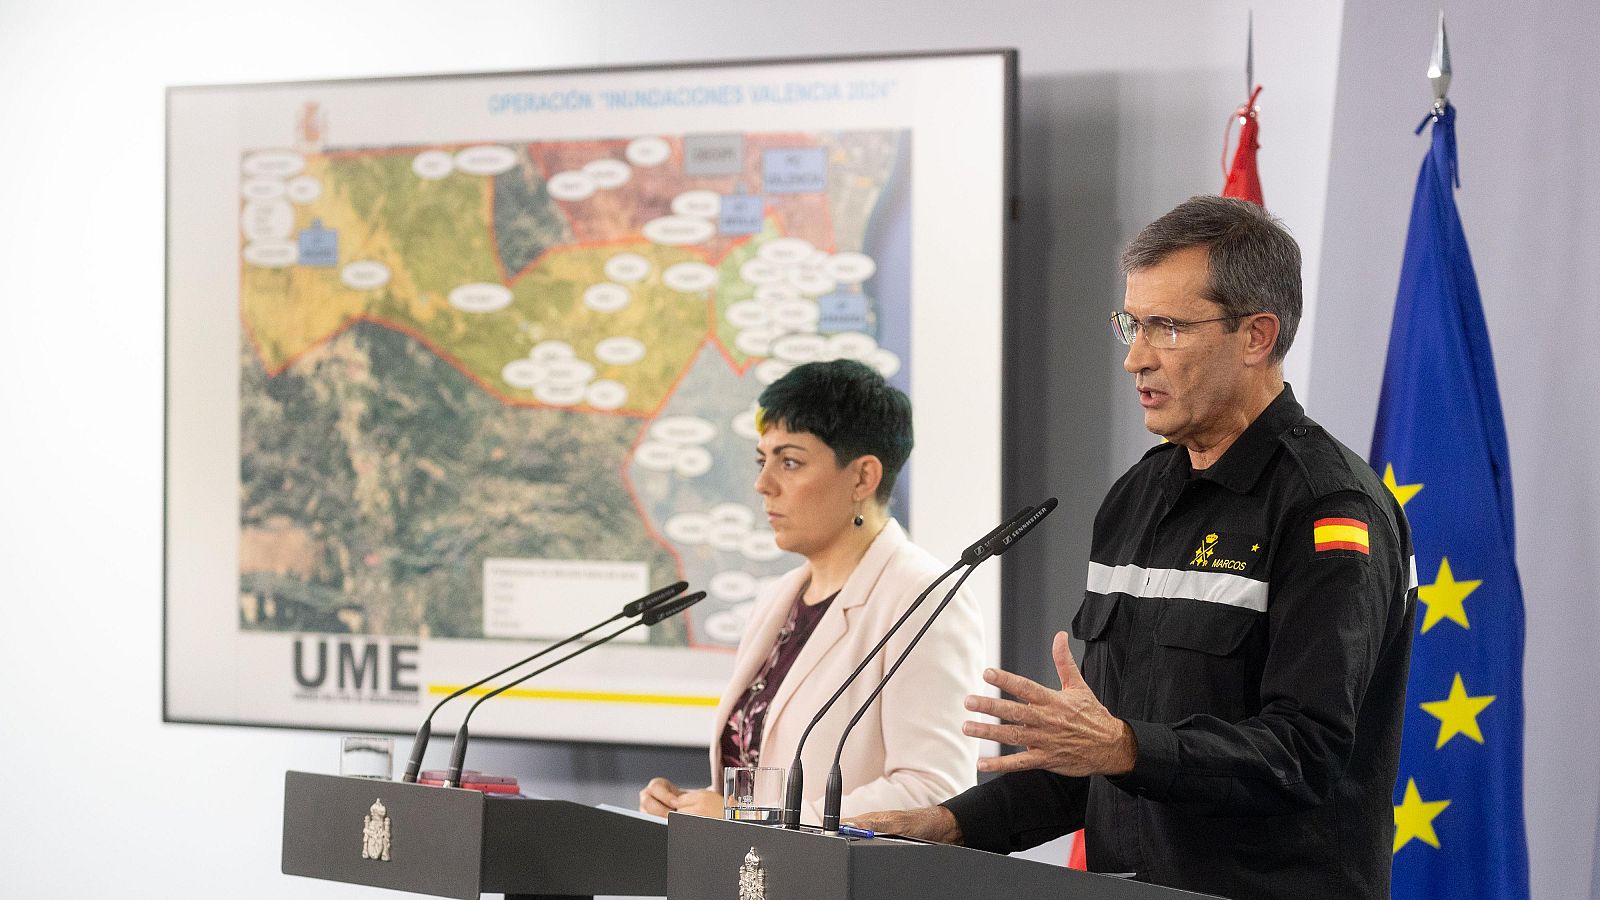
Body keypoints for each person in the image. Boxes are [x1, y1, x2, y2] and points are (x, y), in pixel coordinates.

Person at [852, 196, 1415, 899]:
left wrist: (1124, 747)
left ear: (1256, 337)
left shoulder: (1328, 510)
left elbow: (1306, 754)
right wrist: (946, 823)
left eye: (1167, 328)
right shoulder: (1136, 497)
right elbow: (1096, 760)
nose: (1134, 358)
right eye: (1132, 323)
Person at [639, 359, 984, 825]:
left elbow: (934, 789)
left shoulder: (925, 599)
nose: (763, 485)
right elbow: (760, 776)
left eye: (790, 462)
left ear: (863, 478)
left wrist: (751, 816)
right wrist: (691, 806)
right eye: (763, 461)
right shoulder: (777, 599)